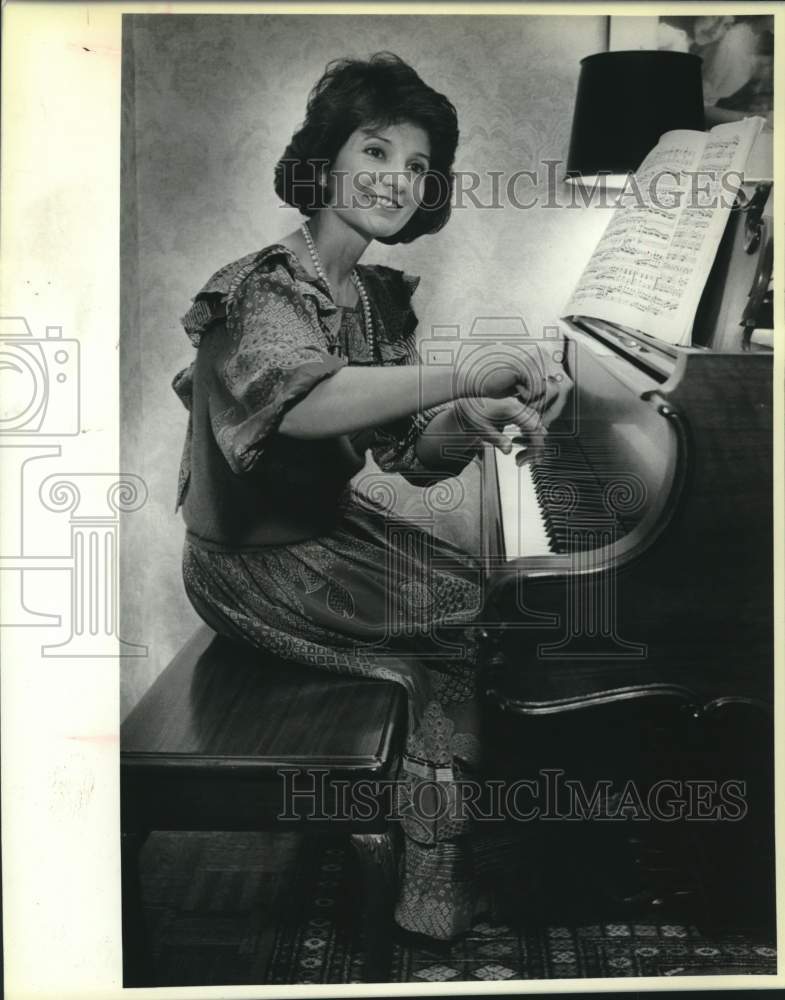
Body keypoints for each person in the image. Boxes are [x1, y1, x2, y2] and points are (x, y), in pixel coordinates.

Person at [173, 52, 568, 941]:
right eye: (377, 151)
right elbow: (307, 404)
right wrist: (461, 369)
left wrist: (475, 415)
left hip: (323, 534)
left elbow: (408, 459)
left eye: (417, 166)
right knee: (464, 616)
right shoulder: (263, 287)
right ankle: (435, 873)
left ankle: (446, 843)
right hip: (249, 561)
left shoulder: (376, 297)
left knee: (478, 598)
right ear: (324, 160)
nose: (397, 181)